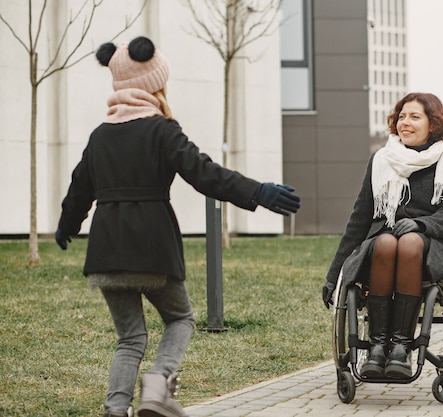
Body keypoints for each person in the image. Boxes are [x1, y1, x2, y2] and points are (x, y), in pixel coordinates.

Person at [55, 36, 300, 417]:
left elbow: (78, 188)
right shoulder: (163, 130)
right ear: (155, 82)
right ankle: (156, 390)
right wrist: (258, 192)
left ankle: (115, 408)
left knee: (130, 338)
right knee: (180, 319)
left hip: (105, 251)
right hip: (153, 249)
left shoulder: (99, 136)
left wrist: (66, 226)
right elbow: (206, 175)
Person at [322, 92, 443, 380]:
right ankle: (379, 347)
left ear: (433, 123)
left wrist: (422, 225)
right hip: (383, 246)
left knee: (408, 241)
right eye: (402, 116)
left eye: (415, 117)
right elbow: (359, 220)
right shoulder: (381, 160)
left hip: (433, 243)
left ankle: (402, 347)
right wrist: (334, 276)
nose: (406, 122)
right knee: (384, 241)